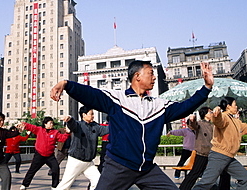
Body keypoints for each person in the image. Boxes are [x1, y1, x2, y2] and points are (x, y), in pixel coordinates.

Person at [50, 61, 214, 190]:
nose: (154, 78)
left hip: (147, 169)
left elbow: (184, 107)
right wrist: (66, 84)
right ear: (137, 76)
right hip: (118, 167)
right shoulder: (117, 100)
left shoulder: (159, 106)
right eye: (150, 73)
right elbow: (91, 94)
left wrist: (206, 88)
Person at [192, 98, 247, 190]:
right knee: (206, 183)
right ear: (228, 106)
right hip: (219, 155)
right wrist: (217, 114)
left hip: (229, 157)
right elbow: (219, 121)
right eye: (235, 105)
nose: (236, 107)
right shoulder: (224, 117)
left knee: (245, 178)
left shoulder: (236, 121)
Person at [54, 106, 109, 190]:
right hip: (76, 161)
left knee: (98, 181)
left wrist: (119, 125)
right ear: (84, 115)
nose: (93, 116)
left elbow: (107, 129)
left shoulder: (95, 126)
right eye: (91, 114)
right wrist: (69, 119)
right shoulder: (78, 125)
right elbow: (72, 124)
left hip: (88, 162)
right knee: (65, 185)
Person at [20, 117, 70, 190]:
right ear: (45, 124)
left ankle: (54, 186)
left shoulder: (55, 132)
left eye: (52, 123)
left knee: (55, 168)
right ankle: (24, 185)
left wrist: (67, 133)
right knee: (32, 170)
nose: (52, 124)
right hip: (39, 155)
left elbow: (62, 139)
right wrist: (24, 124)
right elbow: (31, 127)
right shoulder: (39, 130)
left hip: (50, 156)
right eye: (50, 123)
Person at [179, 107, 213, 190]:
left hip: (213, 153)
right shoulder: (200, 124)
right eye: (210, 112)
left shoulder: (213, 125)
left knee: (219, 172)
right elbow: (193, 125)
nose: (211, 113)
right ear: (204, 114)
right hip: (202, 152)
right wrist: (192, 120)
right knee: (195, 173)